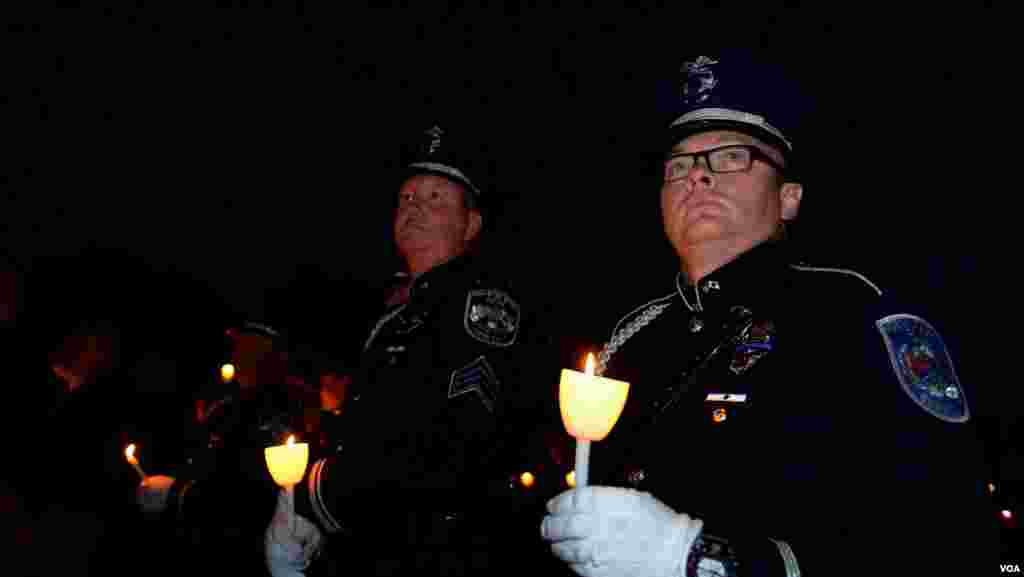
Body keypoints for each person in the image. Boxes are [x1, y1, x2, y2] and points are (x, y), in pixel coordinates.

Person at [539, 50, 996, 576]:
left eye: (732, 157)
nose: (698, 177)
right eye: (680, 164)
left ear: (789, 198)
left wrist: (707, 561)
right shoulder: (630, 337)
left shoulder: (852, 317)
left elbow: (950, 530)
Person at [265, 121, 557, 575]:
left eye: (436, 197)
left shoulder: (476, 307)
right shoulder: (396, 311)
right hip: (374, 545)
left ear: (471, 224)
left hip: (436, 554)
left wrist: (315, 494)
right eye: (406, 198)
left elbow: (454, 450)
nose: (415, 207)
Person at [136, 319, 305, 574]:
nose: (236, 352)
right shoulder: (229, 405)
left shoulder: (286, 407)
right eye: (235, 343)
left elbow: (255, 496)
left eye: (244, 343)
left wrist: (177, 494)